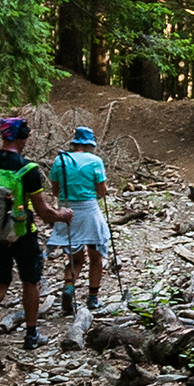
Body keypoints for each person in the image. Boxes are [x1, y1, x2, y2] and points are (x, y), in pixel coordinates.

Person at [0, 115, 67, 351]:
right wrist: (62, 215)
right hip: (22, 233)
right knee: (31, 281)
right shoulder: (28, 169)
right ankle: (31, 335)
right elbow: (42, 211)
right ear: (22, 139)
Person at [48, 124, 112, 313]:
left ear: (75, 143)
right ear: (89, 144)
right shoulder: (95, 161)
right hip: (89, 210)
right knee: (95, 256)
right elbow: (101, 191)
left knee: (76, 258)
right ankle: (93, 298)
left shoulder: (60, 160)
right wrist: (102, 190)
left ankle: (69, 287)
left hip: (67, 212)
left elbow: (55, 190)